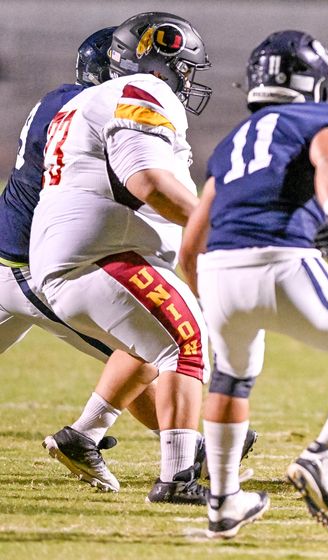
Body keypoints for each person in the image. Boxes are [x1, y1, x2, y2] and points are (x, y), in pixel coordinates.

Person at [180, 30, 328, 537]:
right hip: (284, 262)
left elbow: (190, 245)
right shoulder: (327, 117)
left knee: (230, 377)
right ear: (315, 82)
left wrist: (211, 300)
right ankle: (323, 456)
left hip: (218, 274)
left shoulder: (231, 143)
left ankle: (222, 502)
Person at [29, 12, 215, 504]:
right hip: (101, 255)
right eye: (184, 67)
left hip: (79, 257)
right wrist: (217, 227)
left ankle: (83, 435)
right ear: (159, 60)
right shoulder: (141, 92)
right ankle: (177, 478)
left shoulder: (91, 99)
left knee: (148, 347)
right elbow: (146, 181)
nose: (187, 79)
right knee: (186, 342)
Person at [0, 26, 163, 490]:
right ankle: (194, 444)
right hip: (29, 265)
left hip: (11, 250)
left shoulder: (59, 100)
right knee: (146, 348)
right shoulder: (90, 114)